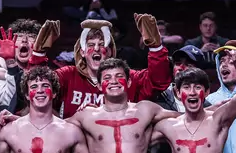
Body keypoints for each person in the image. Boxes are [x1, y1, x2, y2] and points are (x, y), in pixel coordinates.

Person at [28, 15, 171, 118]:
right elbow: (36, 84)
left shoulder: (126, 77)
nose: (96, 49)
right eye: (90, 45)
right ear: (82, 52)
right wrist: (38, 54)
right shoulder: (68, 75)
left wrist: (155, 47)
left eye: (102, 44)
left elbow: (158, 82)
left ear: (110, 51)